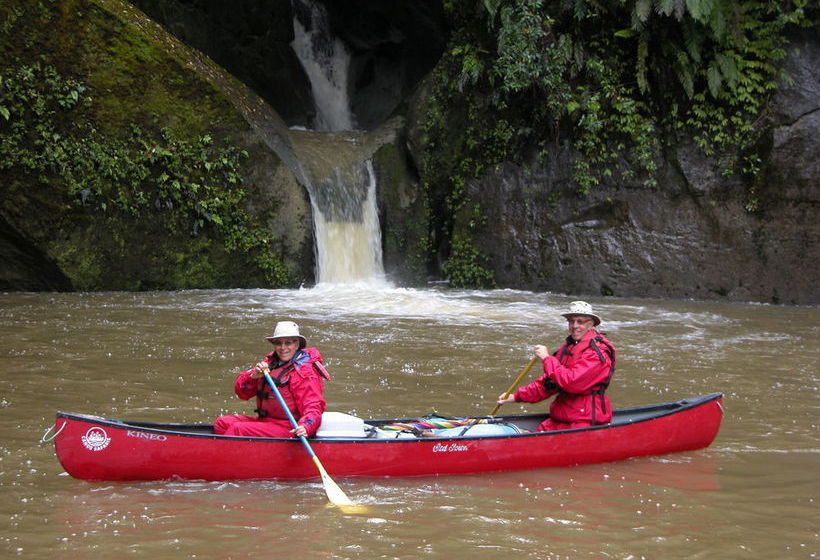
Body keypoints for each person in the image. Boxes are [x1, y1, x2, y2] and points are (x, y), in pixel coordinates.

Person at [496, 301, 616, 431]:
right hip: (561, 417)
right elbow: (548, 384)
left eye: (580, 322)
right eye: (571, 322)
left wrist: (547, 359)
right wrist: (515, 397)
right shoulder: (569, 348)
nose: (574, 326)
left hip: (584, 421)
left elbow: (571, 382)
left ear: (591, 324)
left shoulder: (597, 352)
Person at [214, 321, 330, 438]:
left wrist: (306, 426)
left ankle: (223, 454)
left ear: (297, 344)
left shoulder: (305, 372)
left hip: (290, 428)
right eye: (278, 343)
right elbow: (242, 393)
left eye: (288, 343)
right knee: (222, 423)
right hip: (267, 422)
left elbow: (314, 407)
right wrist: (253, 377)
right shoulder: (269, 363)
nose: (283, 348)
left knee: (238, 429)